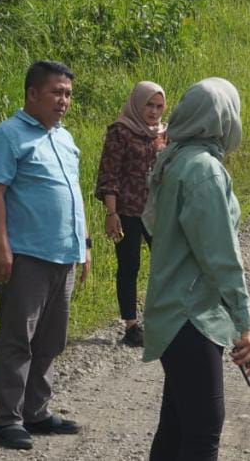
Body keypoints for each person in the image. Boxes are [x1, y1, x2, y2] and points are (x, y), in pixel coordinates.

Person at [143, 78, 250, 461]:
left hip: (172, 312)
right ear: (222, 119)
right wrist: (247, 323)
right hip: (191, 316)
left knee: (177, 426)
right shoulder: (204, 171)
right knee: (203, 432)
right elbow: (221, 257)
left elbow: (153, 225)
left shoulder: (172, 159)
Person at [0, 60, 91, 450]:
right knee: (17, 339)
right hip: (26, 255)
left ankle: (36, 411)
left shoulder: (63, 137)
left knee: (50, 340)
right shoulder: (8, 136)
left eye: (68, 94)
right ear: (32, 94)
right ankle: (6, 420)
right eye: (56, 92)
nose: (64, 101)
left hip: (64, 256)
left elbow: (73, 193)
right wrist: (1, 244)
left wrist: (85, 243)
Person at [95, 81, 167, 348]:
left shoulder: (164, 133)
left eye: (159, 106)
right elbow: (109, 174)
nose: (154, 111)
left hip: (158, 211)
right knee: (129, 266)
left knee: (167, 263)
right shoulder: (121, 131)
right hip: (127, 210)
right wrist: (111, 212)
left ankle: (162, 318)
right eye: (149, 104)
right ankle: (131, 325)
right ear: (137, 103)